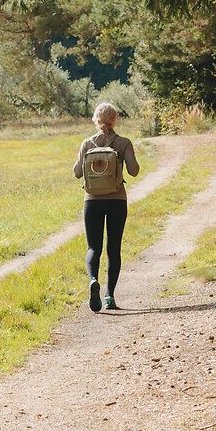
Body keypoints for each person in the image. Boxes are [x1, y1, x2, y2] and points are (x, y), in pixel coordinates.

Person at [73, 100, 139, 312]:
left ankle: (93, 280)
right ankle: (109, 296)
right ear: (114, 120)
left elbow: (76, 172)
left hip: (92, 200)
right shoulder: (123, 142)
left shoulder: (87, 143)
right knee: (114, 248)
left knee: (93, 247)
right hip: (117, 200)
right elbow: (134, 171)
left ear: (96, 120)